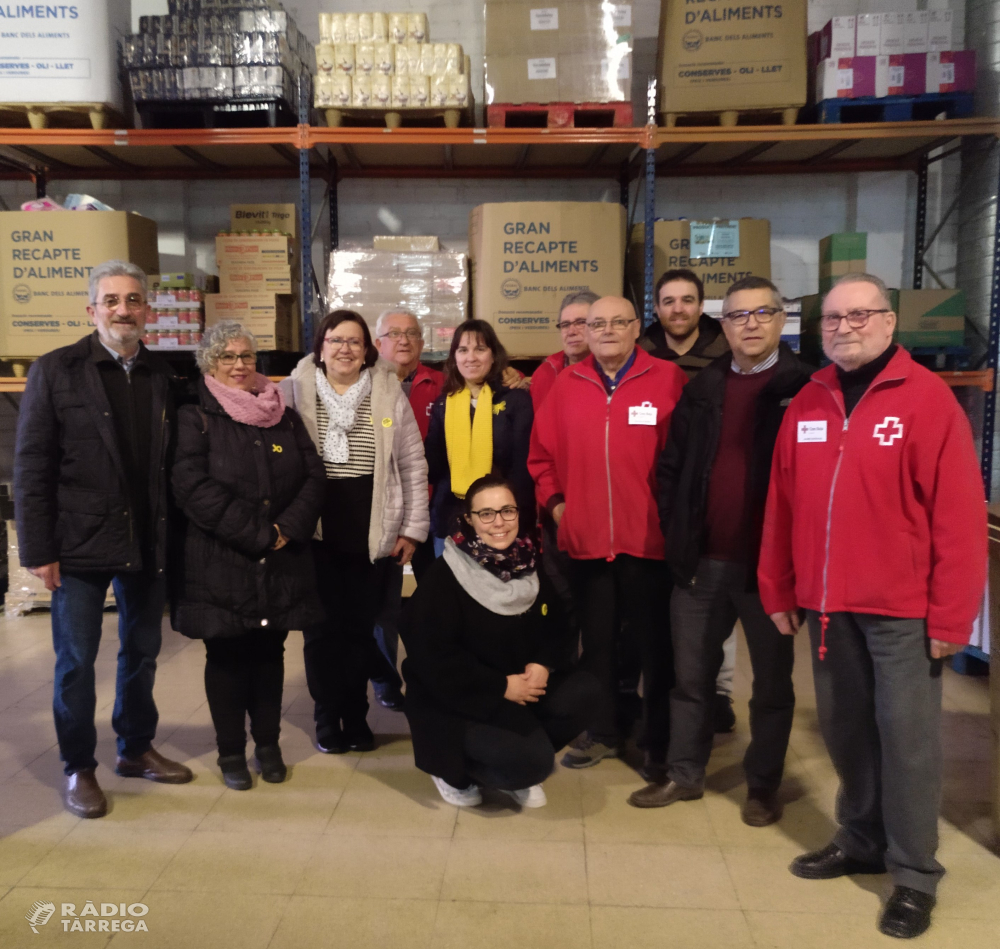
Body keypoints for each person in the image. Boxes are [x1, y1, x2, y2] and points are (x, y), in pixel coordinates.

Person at [758, 273, 987, 940]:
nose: (845, 327)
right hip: (828, 607)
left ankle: (914, 874)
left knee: (909, 744)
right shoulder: (808, 401)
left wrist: (951, 617)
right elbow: (782, 506)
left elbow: (959, 519)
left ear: (889, 322)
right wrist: (778, 587)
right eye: (833, 318)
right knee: (847, 732)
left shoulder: (926, 401)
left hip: (903, 613)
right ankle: (859, 836)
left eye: (860, 314)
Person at [13, 259, 193, 819]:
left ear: (148, 310)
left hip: (148, 540)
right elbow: (32, 465)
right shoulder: (56, 370)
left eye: (133, 300)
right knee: (76, 661)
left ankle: (135, 747)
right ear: (92, 310)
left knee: (141, 653)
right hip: (81, 544)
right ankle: (78, 767)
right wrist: (38, 550)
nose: (123, 310)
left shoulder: (167, 376)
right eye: (111, 300)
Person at [628, 276, 812, 821]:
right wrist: (677, 529)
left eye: (762, 314)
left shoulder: (804, 389)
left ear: (781, 320)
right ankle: (685, 775)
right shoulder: (704, 387)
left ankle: (761, 785)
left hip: (769, 570)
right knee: (691, 680)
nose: (750, 324)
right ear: (723, 325)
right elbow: (671, 466)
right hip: (701, 563)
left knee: (772, 686)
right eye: (737, 316)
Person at [528, 296, 687, 771]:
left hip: (648, 544)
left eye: (619, 322)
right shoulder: (567, 384)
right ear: (586, 333)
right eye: (598, 324)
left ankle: (657, 739)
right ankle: (601, 731)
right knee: (596, 648)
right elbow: (542, 457)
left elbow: (685, 460)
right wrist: (559, 509)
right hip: (587, 542)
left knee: (656, 649)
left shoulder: (667, 379)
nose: (608, 330)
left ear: (638, 328)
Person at [171, 321, 326, 789]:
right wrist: (260, 534)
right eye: (227, 357)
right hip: (221, 563)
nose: (240, 365)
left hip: (279, 563)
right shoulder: (194, 415)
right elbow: (190, 486)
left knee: (270, 656)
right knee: (226, 658)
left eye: (246, 356)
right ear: (209, 364)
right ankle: (230, 753)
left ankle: (268, 744)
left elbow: (313, 478)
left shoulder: (282, 414)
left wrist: (286, 531)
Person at [400, 473, 600, 808]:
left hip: (516, 689)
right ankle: (455, 774)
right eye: (486, 514)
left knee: (587, 692)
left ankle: (515, 755)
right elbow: (431, 658)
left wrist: (542, 663)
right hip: (460, 699)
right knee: (534, 764)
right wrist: (499, 687)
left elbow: (558, 626)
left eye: (507, 511)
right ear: (469, 519)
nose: (499, 523)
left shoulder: (528, 563)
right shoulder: (445, 577)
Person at [281, 310, 429, 754]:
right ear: (320, 346)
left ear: (367, 350)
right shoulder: (295, 391)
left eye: (354, 341)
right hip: (316, 530)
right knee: (322, 632)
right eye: (335, 340)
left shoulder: (388, 392)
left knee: (361, 630)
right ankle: (328, 716)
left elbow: (411, 464)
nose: (345, 348)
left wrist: (413, 529)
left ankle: (356, 714)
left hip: (374, 529)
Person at [643, 269, 737, 734]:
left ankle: (718, 693)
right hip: (654, 491)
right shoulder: (639, 351)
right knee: (668, 608)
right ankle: (666, 693)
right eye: (667, 301)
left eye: (686, 300)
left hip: (704, 493)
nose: (677, 309)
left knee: (715, 599)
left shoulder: (729, 353)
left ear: (702, 305)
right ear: (656, 308)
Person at [364, 308, 444, 708]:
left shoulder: (443, 384)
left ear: (423, 343)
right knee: (386, 607)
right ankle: (385, 679)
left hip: (438, 514)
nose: (404, 340)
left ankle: (434, 674)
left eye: (412, 333)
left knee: (437, 601)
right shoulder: (366, 386)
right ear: (378, 343)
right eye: (394, 333)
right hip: (389, 517)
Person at [425, 320, 534, 551]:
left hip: (500, 522)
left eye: (480, 349)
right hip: (451, 518)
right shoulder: (444, 404)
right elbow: (434, 468)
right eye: (462, 350)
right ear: (454, 357)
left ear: (494, 355)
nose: (470, 357)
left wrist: (508, 516)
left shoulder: (516, 400)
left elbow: (522, 471)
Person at [640, 269, 730, 377]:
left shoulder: (730, 355)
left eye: (687, 300)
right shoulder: (639, 357)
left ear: (701, 307)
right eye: (669, 302)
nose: (678, 309)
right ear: (658, 310)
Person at [529, 290, 599, 411]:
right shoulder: (544, 373)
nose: (571, 332)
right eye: (565, 324)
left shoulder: (613, 373)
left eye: (581, 322)